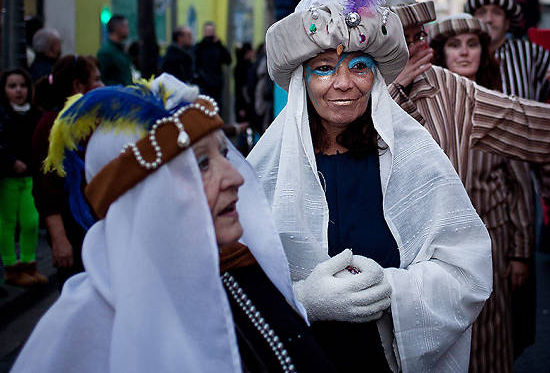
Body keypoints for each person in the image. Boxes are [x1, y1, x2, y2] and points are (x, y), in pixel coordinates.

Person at [248, 0, 494, 371]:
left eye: (359, 66)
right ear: (302, 80)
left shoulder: (414, 159)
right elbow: (232, 285)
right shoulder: (267, 168)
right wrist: (304, 300)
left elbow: (468, 269)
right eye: (323, 68)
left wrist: (394, 291)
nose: (343, 83)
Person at [12, 76, 334, 372]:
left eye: (224, 154)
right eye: (201, 165)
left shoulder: (244, 269)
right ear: (143, 197)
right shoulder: (81, 327)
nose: (235, 177)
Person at [387, 0, 550, 361]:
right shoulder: (354, 87)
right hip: (399, 263)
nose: (417, 45)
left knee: (484, 346)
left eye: (420, 35)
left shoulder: (449, 89)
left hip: (477, 247)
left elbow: (529, 123)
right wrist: (393, 89)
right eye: (406, 37)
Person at [428, 13, 532, 373]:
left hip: (493, 238)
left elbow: (519, 183)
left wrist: (520, 253)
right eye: (454, 45)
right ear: (439, 54)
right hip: (437, 243)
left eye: (472, 44)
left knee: (491, 330)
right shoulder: (420, 109)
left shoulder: (499, 105)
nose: (464, 52)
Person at [31, 55, 102, 287]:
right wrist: (59, 239)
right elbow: (46, 191)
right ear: (78, 86)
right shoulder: (52, 127)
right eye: (97, 80)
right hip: (73, 231)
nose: (102, 86)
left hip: (96, 226)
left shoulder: (93, 121)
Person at [0, 69, 46, 287]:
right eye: (12, 86)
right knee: (7, 222)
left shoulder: (36, 113)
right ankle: (11, 267)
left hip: (30, 176)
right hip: (9, 177)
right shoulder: (3, 113)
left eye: (22, 85)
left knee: (31, 221)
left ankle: (29, 263)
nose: (18, 90)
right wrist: (11, 162)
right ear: (4, 89)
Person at [194, 21, 232, 111]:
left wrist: (219, 44)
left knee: (217, 108)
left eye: (211, 31)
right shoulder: (199, 47)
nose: (209, 34)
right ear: (204, 32)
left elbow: (228, 60)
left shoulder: (218, 47)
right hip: (203, 84)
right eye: (208, 31)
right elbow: (195, 64)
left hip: (216, 84)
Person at [97, 15, 133, 86]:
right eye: (126, 26)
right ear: (118, 28)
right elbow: (102, 78)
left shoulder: (122, 50)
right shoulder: (106, 52)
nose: (128, 29)